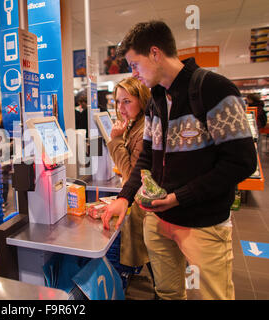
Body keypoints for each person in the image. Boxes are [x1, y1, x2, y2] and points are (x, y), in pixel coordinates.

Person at [102, 20, 257, 300]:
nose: (133, 74)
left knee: (214, 295)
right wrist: (125, 197)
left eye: (134, 65)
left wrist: (180, 197)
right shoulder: (155, 101)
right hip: (158, 222)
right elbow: (146, 157)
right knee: (167, 293)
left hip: (204, 224)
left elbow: (242, 161)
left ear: (155, 53)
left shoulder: (215, 90)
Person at [107, 77, 154, 290]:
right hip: (146, 204)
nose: (121, 108)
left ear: (142, 100)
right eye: (118, 102)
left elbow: (132, 173)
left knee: (156, 258)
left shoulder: (144, 129)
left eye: (127, 101)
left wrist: (115, 140)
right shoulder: (138, 123)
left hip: (148, 207)